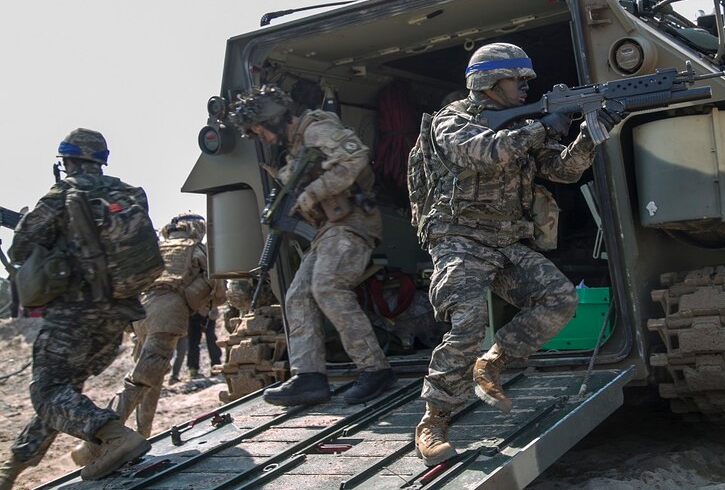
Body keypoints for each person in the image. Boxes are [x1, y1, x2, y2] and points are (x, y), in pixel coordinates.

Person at [412, 42, 626, 466]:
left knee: (560, 299)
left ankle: (494, 362)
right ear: (490, 82)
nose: (526, 87)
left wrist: (589, 132)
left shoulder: (525, 123)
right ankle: (433, 421)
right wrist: (543, 125)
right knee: (468, 322)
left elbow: (563, 169)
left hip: (506, 239)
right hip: (459, 237)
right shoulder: (451, 121)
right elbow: (485, 153)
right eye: (518, 79)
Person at [0, 129, 152, 488]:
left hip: (74, 316)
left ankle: (116, 437)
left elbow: (22, 248)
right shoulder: (129, 194)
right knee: (61, 394)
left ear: (66, 161)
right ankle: (13, 469)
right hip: (117, 316)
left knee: (48, 391)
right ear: (100, 160)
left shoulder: (61, 194)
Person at [227, 84, 396, 406]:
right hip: (327, 230)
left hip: (352, 224)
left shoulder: (317, 129)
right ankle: (309, 377)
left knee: (328, 286)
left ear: (274, 120)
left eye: (260, 130)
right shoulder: (296, 148)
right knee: (298, 294)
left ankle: (376, 369)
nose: (262, 137)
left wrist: (312, 192)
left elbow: (356, 156)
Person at [71, 212, 225, 465]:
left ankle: (142, 435)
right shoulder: (198, 250)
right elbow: (219, 294)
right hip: (168, 316)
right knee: (140, 381)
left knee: (148, 380)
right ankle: (96, 443)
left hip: (139, 316)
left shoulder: (156, 249)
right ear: (197, 229)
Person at [186, 306, 223, 377]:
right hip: (194, 313)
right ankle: (193, 368)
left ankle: (216, 366)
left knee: (211, 340)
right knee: (193, 341)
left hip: (209, 313)